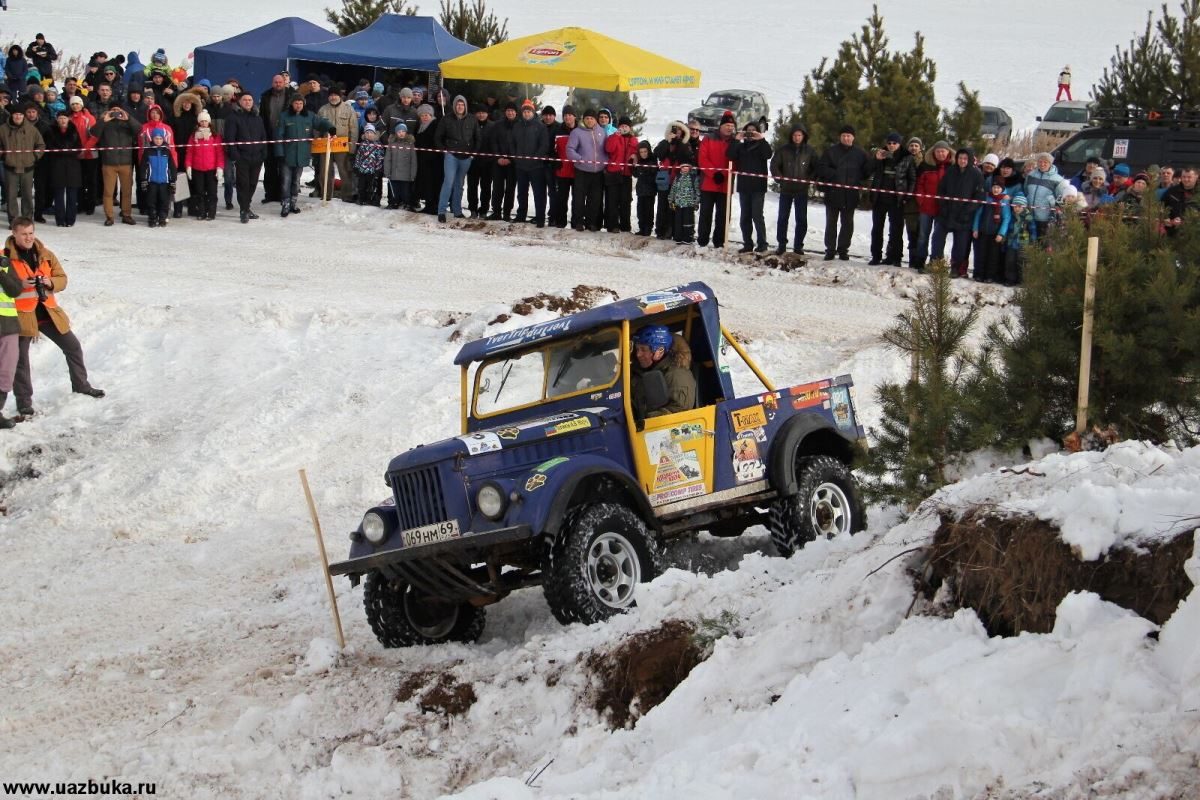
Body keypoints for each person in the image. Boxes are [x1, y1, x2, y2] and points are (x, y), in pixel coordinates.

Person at [7, 218, 104, 417]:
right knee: (21, 361)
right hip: (20, 317)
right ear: (14, 234)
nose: (28, 237)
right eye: (24, 234)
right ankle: (24, 403)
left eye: (31, 233)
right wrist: (19, 284)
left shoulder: (46, 255)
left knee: (73, 346)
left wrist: (49, 282)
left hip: (47, 313)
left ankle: (81, 386)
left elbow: (63, 279)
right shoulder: (4, 258)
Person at [816, 124, 871, 261]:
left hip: (850, 195)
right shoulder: (831, 152)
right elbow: (821, 168)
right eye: (843, 135)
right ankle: (830, 249)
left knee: (847, 224)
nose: (846, 138)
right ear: (840, 137)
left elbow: (866, 172)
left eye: (848, 136)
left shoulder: (860, 154)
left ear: (853, 137)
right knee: (831, 223)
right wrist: (835, 174)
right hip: (833, 193)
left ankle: (843, 249)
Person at [274, 95, 329, 217]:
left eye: (300, 103)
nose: (298, 105)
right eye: (296, 103)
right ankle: (285, 204)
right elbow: (278, 136)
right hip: (287, 156)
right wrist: (280, 153)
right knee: (285, 181)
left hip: (301, 155)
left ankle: (293, 203)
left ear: (303, 104)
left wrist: (331, 128)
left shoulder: (309, 115)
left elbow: (321, 122)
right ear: (291, 104)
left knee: (296, 181)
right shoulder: (284, 116)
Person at [770, 123, 817, 255]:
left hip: (801, 190)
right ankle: (781, 244)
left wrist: (809, 180)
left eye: (799, 135)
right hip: (786, 189)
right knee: (783, 217)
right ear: (791, 136)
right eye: (795, 135)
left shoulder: (809, 151)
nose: (797, 137)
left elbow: (816, 167)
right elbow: (774, 165)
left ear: (803, 136)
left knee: (801, 219)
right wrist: (779, 178)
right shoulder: (783, 150)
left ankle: (798, 246)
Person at [938, 148, 985, 278]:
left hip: (964, 216)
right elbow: (941, 190)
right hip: (947, 213)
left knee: (960, 245)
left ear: (969, 159)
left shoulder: (976, 174)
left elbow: (979, 198)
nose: (962, 161)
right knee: (937, 238)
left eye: (965, 158)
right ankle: (936, 264)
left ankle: (955, 268)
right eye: (960, 158)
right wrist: (944, 207)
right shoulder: (951, 171)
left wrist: (967, 211)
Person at [631, 325, 696, 418]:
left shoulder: (677, 375)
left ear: (660, 351)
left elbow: (680, 410)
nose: (638, 354)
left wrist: (648, 419)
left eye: (643, 349)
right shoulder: (641, 373)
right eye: (637, 349)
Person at [727, 121, 773, 253]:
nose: (751, 133)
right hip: (744, 186)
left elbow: (768, 154)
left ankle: (762, 243)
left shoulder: (761, 146)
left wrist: (762, 139)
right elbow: (730, 155)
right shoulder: (741, 147)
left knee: (757, 215)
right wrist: (736, 140)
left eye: (753, 131)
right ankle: (747, 243)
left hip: (758, 187)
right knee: (745, 216)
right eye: (748, 131)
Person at [868, 132, 913, 265]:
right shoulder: (881, 154)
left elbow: (912, 179)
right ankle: (876, 256)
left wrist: (907, 196)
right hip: (880, 198)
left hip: (897, 199)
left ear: (899, 144)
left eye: (895, 143)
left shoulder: (906, 157)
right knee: (877, 229)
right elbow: (868, 171)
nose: (892, 145)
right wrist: (876, 160)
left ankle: (895, 257)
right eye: (889, 143)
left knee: (896, 230)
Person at [90, 104, 139, 226]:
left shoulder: (127, 123)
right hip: (108, 163)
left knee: (127, 191)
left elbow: (139, 129)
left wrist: (129, 118)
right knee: (108, 192)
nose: (116, 113)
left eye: (118, 110)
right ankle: (109, 216)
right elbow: (93, 132)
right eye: (114, 110)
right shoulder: (105, 124)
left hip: (126, 162)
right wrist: (103, 120)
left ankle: (126, 214)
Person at [223, 92, 268, 223]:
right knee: (243, 184)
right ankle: (243, 210)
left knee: (253, 183)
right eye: (245, 100)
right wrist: (235, 155)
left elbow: (263, 137)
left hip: (257, 157)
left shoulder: (257, 117)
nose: (248, 102)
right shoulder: (233, 117)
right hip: (242, 157)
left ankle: (247, 207)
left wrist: (263, 153)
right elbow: (230, 138)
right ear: (240, 102)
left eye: (250, 100)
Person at [697, 111, 737, 248]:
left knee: (723, 215)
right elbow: (702, 159)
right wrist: (714, 173)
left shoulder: (735, 142)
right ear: (721, 126)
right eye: (727, 125)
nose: (729, 128)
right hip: (709, 183)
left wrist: (724, 175)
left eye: (732, 125)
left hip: (726, 184)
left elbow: (736, 161)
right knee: (706, 213)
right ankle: (702, 240)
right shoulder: (708, 138)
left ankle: (719, 241)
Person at [912, 140, 952, 272]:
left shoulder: (952, 167)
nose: (941, 153)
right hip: (927, 207)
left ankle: (935, 261)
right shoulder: (926, 165)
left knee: (939, 236)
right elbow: (919, 184)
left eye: (943, 151)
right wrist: (921, 199)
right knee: (923, 234)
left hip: (943, 208)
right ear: (934, 152)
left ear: (948, 152)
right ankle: (920, 260)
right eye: (938, 151)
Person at [0, 106, 45, 222]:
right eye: (15, 114)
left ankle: (27, 219)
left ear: (23, 116)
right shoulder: (3, 129)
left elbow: (41, 145)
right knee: (11, 196)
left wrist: (35, 156)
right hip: (10, 167)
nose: (18, 116)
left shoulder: (31, 129)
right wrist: (3, 155)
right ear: (11, 116)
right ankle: (13, 220)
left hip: (28, 168)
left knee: (27, 195)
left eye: (20, 114)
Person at [566, 108, 607, 231]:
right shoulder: (577, 132)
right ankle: (578, 222)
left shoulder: (602, 132)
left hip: (598, 172)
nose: (589, 120)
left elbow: (606, 149)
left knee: (595, 199)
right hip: (582, 171)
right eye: (587, 118)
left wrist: (606, 163)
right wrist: (579, 158)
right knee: (579, 198)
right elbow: (570, 149)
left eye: (592, 118)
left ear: (596, 120)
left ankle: (591, 222)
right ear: (584, 119)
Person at [314, 86, 357, 202]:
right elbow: (316, 127)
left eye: (335, 95)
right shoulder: (323, 110)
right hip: (325, 144)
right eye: (331, 95)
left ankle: (347, 196)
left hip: (342, 144)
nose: (333, 97)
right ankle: (326, 195)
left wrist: (352, 148)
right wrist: (316, 140)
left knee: (345, 171)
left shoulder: (348, 109)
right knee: (325, 171)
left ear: (340, 96)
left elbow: (354, 129)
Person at [652, 121, 693, 241]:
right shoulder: (665, 142)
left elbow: (684, 156)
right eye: (674, 129)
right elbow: (657, 154)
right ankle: (660, 230)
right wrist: (668, 141)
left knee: (673, 206)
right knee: (662, 205)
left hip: (677, 179)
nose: (677, 132)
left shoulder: (685, 144)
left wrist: (679, 142)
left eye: (679, 129)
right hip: (664, 177)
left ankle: (672, 230)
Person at [512, 99, 550, 227]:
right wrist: (516, 157)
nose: (527, 114)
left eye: (529, 111)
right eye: (525, 111)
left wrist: (536, 158)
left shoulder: (540, 126)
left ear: (533, 112)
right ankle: (521, 215)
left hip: (536, 166)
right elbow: (512, 143)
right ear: (522, 113)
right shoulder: (517, 126)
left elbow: (544, 145)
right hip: (520, 166)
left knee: (539, 193)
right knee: (522, 192)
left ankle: (540, 217)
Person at [43, 110, 82, 227]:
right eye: (60, 118)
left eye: (64, 118)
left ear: (69, 119)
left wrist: (69, 152)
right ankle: (60, 220)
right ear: (57, 119)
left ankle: (70, 219)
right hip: (57, 165)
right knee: (58, 194)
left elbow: (79, 147)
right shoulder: (50, 131)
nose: (62, 120)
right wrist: (62, 152)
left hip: (72, 165)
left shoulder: (74, 130)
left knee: (72, 194)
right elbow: (49, 147)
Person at [187, 110, 226, 220]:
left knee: (212, 192)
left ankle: (211, 212)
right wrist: (188, 166)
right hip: (197, 168)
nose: (204, 123)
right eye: (202, 121)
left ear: (209, 122)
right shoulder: (193, 136)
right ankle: (201, 212)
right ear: (199, 122)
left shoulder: (215, 136)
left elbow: (219, 153)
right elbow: (189, 152)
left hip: (211, 169)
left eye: (205, 121)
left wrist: (220, 167)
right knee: (199, 192)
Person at [602, 115, 637, 232]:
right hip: (613, 173)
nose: (624, 128)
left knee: (626, 201)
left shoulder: (634, 140)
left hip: (627, 174)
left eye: (626, 126)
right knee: (612, 200)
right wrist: (616, 136)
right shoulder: (613, 137)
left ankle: (625, 225)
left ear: (630, 128)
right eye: (622, 126)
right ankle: (612, 225)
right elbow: (609, 149)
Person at [259, 74, 290, 205]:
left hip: (285, 138)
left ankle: (283, 194)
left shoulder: (291, 95)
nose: (278, 84)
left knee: (284, 168)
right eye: (275, 82)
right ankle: (270, 194)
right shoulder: (266, 96)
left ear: (284, 83)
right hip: (269, 136)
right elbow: (262, 116)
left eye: (280, 82)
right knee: (270, 166)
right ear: (272, 83)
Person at [972, 179, 1011, 283]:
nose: (996, 189)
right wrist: (975, 228)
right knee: (980, 254)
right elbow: (978, 214)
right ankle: (979, 274)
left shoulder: (1004, 201)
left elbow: (1006, 218)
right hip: (983, 231)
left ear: (1002, 189)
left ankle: (990, 276)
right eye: (994, 187)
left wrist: (1001, 233)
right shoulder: (986, 198)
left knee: (993, 256)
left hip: (995, 233)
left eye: (998, 188)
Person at [1023, 152, 1069, 238]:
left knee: (1042, 240)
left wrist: (1054, 207)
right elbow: (1026, 190)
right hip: (1029, 215)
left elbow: (1061, 197)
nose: (1042, 164)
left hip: (1045, 217)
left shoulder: (1058, 179)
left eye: (1045, 162)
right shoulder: (1031, 175)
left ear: (1050, 163)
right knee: (1029, 240)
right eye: (1040, 162)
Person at [0, 248, 22, 427]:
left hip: (8, 326)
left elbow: (16, 290)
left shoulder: (4, 263)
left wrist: (1, 274)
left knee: (6, 372)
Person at [485, 103, 518, 220]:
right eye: (508, 110)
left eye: (512, 111)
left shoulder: (519, 126)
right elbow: (493, 142)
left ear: (516, 112)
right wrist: (498, 158)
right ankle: (496, 211)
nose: (510, 113)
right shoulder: (498, 125)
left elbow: (520, 144)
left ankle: (507, 212)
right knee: (497, 187)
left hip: (512, 163)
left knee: (510, 188)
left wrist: (511, 159)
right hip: (498, 162)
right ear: (505, 112)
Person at [139, 127, 176, 227]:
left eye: (160, 138)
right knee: (151, 201)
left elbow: (172, 167)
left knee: (164, 201)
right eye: (156, 138)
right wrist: (143, 179)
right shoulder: (148, 151)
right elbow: (143, 167)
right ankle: (152, 218)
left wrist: (173, 180)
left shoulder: (167, 151)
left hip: (164, 182)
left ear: (163, 139)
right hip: (152, 181)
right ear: (152, 139)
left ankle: (162, 217)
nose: (158, 140)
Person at [550, 105, 577, 228]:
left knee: (577, 199)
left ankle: (576, 222)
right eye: (565, 115)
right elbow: (552, 148)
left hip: (577, 171)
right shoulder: (558, 130)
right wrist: (555, 160)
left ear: (574, 116)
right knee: (561, 198)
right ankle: (561, 221)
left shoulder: (581, 131)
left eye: (570, 115)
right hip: (562, 170)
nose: (567, 117)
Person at [413, 104, 443, 214]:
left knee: (433, 183)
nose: (425, 117)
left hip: (434, 161)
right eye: (422, 115)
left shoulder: (435, 125)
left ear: (431, 115)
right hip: (424, 160)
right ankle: (429, 205)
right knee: (426, 184)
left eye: (427, 115)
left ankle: (433, 206)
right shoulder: (420, 126)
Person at [466, 104, 494, 216]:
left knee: (486, 187)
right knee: (472, 186)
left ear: (487, 114)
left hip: (487, 162)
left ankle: (484, 209)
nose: (481, 115)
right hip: (473, 161)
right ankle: (473, 209)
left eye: (484, 112)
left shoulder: (493, 126)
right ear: (475, 114)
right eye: (479, 112)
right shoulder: (470, 124)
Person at [1004, 194, 1036, 286]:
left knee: (1023, 262)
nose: (1017, 208)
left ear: (1024, 207)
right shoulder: (1012, 216)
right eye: (1015, 206)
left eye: (1019, 206)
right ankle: (1010, 279)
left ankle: (1023, 280)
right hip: (1011, 243)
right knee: (1010, 261)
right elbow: (1008, 228)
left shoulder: (1028, 217)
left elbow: (1033, 230)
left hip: (1023, 243)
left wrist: (1032, 242)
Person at [384, 122, 417, 210]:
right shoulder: (391, 144)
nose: (401, 133)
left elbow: (413, 161)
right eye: (399, 131)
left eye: (403, 131)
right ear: (396, 133)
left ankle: (406, 203)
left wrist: (413, 174)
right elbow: (387, 159)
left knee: (406, 191)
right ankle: (393, 202)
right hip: (394, 174)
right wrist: (387, 171)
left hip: (406, 175)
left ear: (406, 132)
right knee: (393, 190)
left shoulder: (410, 144)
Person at [668, 159, 700, 244]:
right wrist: (671, 200)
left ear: (690, 168)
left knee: (688, 221)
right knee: (678, 221)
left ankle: (688, 238)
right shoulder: (678, 177)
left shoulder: (694, 178)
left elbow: (697, 191)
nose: (685, 168)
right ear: (680, 168)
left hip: (689, 204)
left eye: (687, 167)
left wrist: (696, 202)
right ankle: (678, 237)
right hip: (679, 203)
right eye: (683, 167)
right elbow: (673, 189)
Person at [353, 123, 385, 206]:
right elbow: (358, 156)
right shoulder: (362, 145)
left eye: (371, 132)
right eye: (367, 133)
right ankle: (361, 199)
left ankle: (371, 199)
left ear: (374, 134)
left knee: (372, 186)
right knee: (361, 186)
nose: (369, 134)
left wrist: (378, 169)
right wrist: (356, 167)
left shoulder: (378, 145)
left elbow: (380, 158)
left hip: (372, 170)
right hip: (362, 170)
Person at [633, 140, 658, 236]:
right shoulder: (639, 161)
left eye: (645, 151)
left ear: (648, 151)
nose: (643, 154)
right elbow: (635, 174)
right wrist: (635, 164)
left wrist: (641, 171)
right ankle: (641, 227)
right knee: (640, 210)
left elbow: (651, 173)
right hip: (640, 190)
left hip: (650, 190)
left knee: (648, 210)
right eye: (641, 152)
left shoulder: (652, 160)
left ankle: (648, 228)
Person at [1163, 166, 1198, 234]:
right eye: (1183, 177)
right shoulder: (1171, 191)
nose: (1186, 179)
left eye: (1189, 177)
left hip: (1194, 234)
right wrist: (1165, 218)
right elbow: (1162, 206)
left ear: (1196, 177)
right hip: (1173, 232)